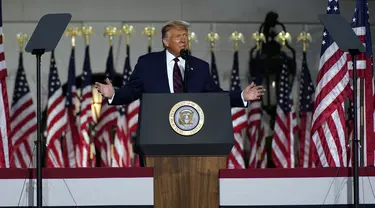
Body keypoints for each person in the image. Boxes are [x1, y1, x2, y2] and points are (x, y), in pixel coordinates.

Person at [95, 20, 265, 107]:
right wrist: (113, 94)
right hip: (157, 135)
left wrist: (241, 96)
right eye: (178, 37)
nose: (184, 40)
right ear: (165, 42)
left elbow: (215, 95)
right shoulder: (148, 64)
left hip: (192, 135)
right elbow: (131, 91)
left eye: (186, 36)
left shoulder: (199, 67)